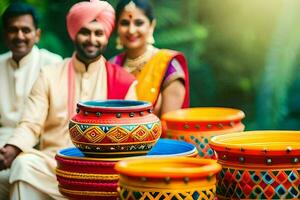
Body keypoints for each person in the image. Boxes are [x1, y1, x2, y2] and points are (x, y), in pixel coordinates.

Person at [0, 0, 136, 199]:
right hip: (53, 166)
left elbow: (131, 138)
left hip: (102, 171)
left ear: (106, 38)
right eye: (85, 32)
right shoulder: (49, 74)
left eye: (98, 33)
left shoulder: (124, 83)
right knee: (24, 164)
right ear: (74, 34)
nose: (91, 39)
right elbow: (31, 123)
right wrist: (13, 148)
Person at [111, 0, 190, 118]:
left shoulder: (167, 65)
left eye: (138, 23)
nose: (131, 30)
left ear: (151, 25)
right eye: (125, 23)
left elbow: (169, 125)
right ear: (117, 26)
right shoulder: (112, 65)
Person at [0, 2, 62, 148]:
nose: (19, 36)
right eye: (13, 30)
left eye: (26, 30)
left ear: (37, 34)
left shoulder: (52, 63)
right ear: (4, 34)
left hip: (40, 142)